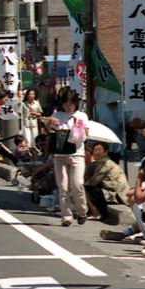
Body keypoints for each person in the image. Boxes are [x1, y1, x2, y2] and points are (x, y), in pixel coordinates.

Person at [45, 88, 90, 226]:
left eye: (70, 104)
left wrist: (80, 128)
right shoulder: (57, 115)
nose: (68, 107)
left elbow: (86, 135)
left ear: (76, 103)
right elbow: (47, 130)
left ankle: (82, 211)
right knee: (63, 186)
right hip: (60, 155)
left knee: (77, 184)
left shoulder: (82, 116)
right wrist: (50, 122)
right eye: (65, 104)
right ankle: (66, 215)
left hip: (77, 154)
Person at [84, 141, 129, 222]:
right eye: (95, 150)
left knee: (86, 188)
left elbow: (94, 182)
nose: (97, 152)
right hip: (110, 188)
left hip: (116, 193)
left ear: (106, 152)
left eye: (100, 150)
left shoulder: (105, 164)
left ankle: (96, 212)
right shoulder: (101, 162)